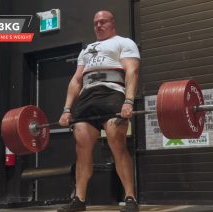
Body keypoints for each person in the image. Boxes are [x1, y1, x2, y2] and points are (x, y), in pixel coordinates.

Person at [57, 10, 140, 212]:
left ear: (113, 23)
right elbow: (77, 80)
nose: (99, 25)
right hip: (87, 98)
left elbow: (132, 71)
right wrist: (67, 109)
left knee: (116, 141)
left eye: (103, 22)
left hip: (112, 94)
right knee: (81, 145)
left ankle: (130, 198)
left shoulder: (124, 42)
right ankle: (79, 200)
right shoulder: (86, 50)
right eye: (96, 23)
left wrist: (128, 101)